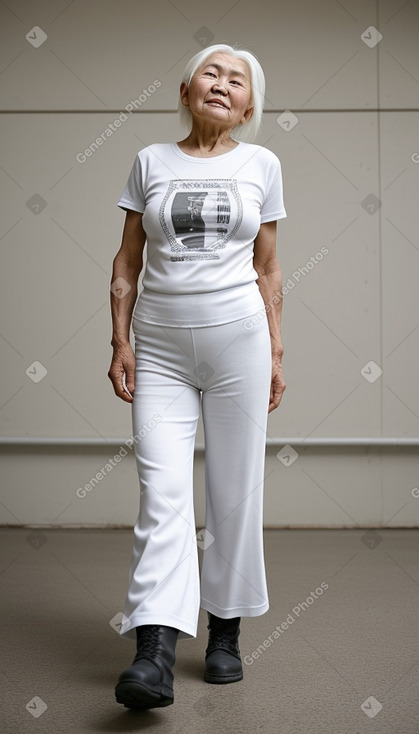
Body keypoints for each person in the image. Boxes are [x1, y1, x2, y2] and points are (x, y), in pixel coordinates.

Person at [108, 42, 287, 710]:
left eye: (236, 80)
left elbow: (268, 269)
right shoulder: (149, 162)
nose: (221, 83)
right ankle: (153, 649)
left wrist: (274, 353)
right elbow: (126, 262)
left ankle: (224, 633)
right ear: (185, 91)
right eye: (209, 73)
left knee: (235, 493)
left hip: (238, 343)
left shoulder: (261, 164)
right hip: (157, 348)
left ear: (247, 106)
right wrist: (119, 340)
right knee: (162, 494)